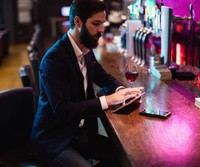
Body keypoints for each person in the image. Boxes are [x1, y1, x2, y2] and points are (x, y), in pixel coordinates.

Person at [31, 0, 143, 166]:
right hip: (56, 140)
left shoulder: (85, 49)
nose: (101, 30)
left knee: (129, 156)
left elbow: (103, 78)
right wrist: (109, 100)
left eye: (102, 23)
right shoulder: (54, 59)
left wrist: (122, 91)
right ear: (77, 22)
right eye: (96, 24)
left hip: (81, 134)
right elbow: (63, 111)